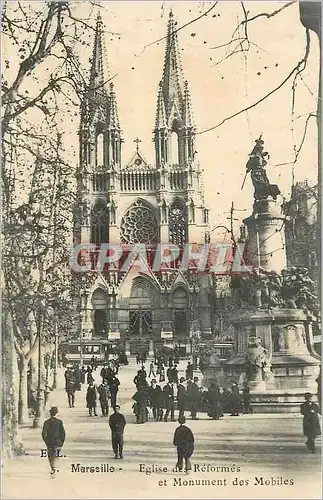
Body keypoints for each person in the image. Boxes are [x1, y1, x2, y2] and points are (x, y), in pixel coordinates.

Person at [42, 407, 66, 478]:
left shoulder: (46, 422)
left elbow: (44, 433)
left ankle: (52, 467)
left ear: (50, 413)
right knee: (56, 455)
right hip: (58, 442)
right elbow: (63, 433)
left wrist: (46, 441)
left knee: (50, 456)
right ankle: (55, 467)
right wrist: (62, 442)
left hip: (49, 442)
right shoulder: (59, 422)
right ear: (56, 413)